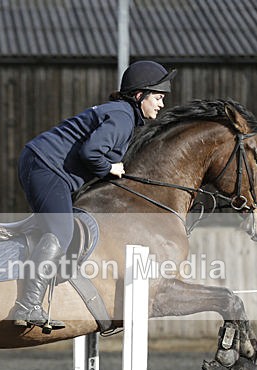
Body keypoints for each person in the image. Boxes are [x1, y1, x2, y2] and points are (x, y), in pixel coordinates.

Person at [10, 60, 177, 330]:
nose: (161, 104)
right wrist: (110, 167)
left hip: (45, 166)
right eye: (157, 98)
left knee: (62, 228)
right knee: (62, 232)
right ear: (139, 96)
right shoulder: (123, 117)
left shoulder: (124, 116)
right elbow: (91, 153)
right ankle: (27, 304)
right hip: (45, 166)